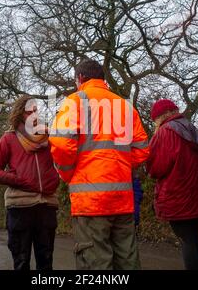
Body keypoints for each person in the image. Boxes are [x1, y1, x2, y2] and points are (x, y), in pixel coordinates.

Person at [49, 58, 149, 270]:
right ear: (102, 78)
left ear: (80, 78)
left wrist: (68, 173)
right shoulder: (125, 106)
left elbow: (60, 142)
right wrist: (119, 167)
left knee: (96, 264)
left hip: (90, 201)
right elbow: (142, 149)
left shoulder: (75, 101)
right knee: (128, 261)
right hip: (122, 198)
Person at [0, 95, 60, 270]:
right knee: (21, 262)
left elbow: (64, 160)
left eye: (36, 110)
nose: (34, 115)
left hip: (47, 205)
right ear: (20, 114)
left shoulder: (49, 136)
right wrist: (18, 180)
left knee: (46, 262)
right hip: (19, 207)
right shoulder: (9, 139)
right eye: (29, 112)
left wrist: (57, 177)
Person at [146, 99, 198, 270]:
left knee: (186, 241)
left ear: (159, 117)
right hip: (197, 193)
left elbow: (155, 167)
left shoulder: (165, 132)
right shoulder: (192, 129)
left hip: (177, 194)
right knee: (193, 238)